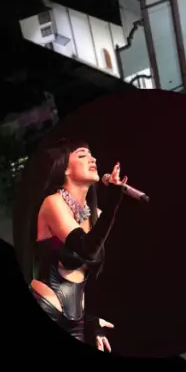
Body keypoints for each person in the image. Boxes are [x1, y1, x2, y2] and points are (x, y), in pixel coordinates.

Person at [27, 139, 128, 351]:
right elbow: (85, 248)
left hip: (77, 316)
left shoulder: (97, 216)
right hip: (48, 302)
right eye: (82, 155)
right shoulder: (53, 203)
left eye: (92, 155)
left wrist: (90, 320)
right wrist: (113, 204)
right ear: (65, 170)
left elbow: (92, 272)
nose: (93, 159)